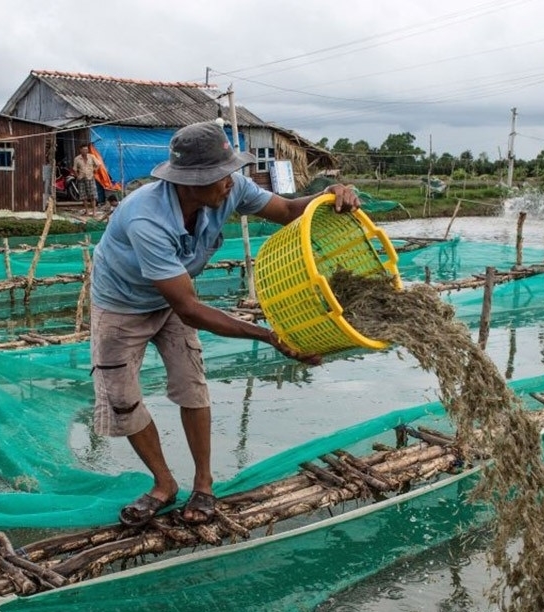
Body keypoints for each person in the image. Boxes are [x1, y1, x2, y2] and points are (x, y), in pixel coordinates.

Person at [90, 120, 360, 527]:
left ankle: (203, 485)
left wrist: (326, 196)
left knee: (191, 384)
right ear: (190, 182)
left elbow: (287, 211)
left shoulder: (231, 188)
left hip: (175, 298)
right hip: (121, 305)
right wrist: (269, 336)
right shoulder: (147, 219)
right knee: (122, 399)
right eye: (219, 176)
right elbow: (191, 310)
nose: (231, 182)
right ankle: (164, 484)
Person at [72, 143, 103, 215]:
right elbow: (75, 169)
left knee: (93, 195)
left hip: (90, 177)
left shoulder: (91, 157)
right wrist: (77, 177)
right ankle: (87, 211)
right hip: (82, 178)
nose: (86, 151)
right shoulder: (77, 159)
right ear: (80, 150)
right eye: (84, 149)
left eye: (86, 149)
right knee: (84, 196)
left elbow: (98, 164)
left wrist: (95, 170)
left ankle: (94, 211)